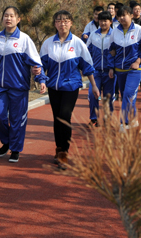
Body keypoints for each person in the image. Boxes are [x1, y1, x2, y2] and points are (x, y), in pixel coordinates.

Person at [40, 10, 99, 166]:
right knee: (57, 118)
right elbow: (41, 66)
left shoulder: (77, 43)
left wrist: (94, 86)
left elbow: (87, 66)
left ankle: (64, 152)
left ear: (71, 23)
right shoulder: (48, 44)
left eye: (66, 20)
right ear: (55, 24)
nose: (62, 23)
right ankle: (59, 148)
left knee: (65, 116)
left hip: (71, 86)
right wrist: (41, 80)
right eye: (59, 21)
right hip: (54, 86)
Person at [0, 6, 47, 163]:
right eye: (6, 16)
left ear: (18, 19)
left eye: (11, 16)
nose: (8, 18)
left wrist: (41, 79)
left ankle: (15, 149)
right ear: (2, 19)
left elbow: (36, 63)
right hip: (0, 86)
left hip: (18, 87)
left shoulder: (24, 40)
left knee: (17, 119)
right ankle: (7, 141)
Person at [108, 5, 141, 126]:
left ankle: (124, 123)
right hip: (119, 69)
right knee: (126, 96)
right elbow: (111, 51)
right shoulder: (115, 31)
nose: (122, 18)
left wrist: (138, 62)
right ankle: (133, 119)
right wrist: (111, 67)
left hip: (135, 69)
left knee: (127, 94)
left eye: (124, 15)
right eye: (119, 16)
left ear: (131, 16)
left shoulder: (139, 30)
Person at [86, 11, 116, 123]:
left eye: (106, 20)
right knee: (92, 94)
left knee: (108, 96)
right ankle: (93, 118)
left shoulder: (115, 34)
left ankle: (108, 118)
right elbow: (86, 51)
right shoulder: (93, 34)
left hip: (110, 72)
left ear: (110, 22)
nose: (103, 23)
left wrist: (113, 67)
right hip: (96, 71)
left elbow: (117, 52)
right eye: (101, 20)